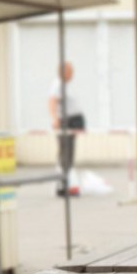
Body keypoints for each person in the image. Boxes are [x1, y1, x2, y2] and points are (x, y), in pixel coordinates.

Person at [47, 61, 84, 197]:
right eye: (71, 71)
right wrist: (55, 118)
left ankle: (67, 183)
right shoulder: (57, 85)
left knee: (69, 155)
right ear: (64, 72)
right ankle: (62, 185)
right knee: (65, 155)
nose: (73, 74)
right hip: (65, 122)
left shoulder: (65, 85)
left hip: (72, 122)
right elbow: (52, 102)